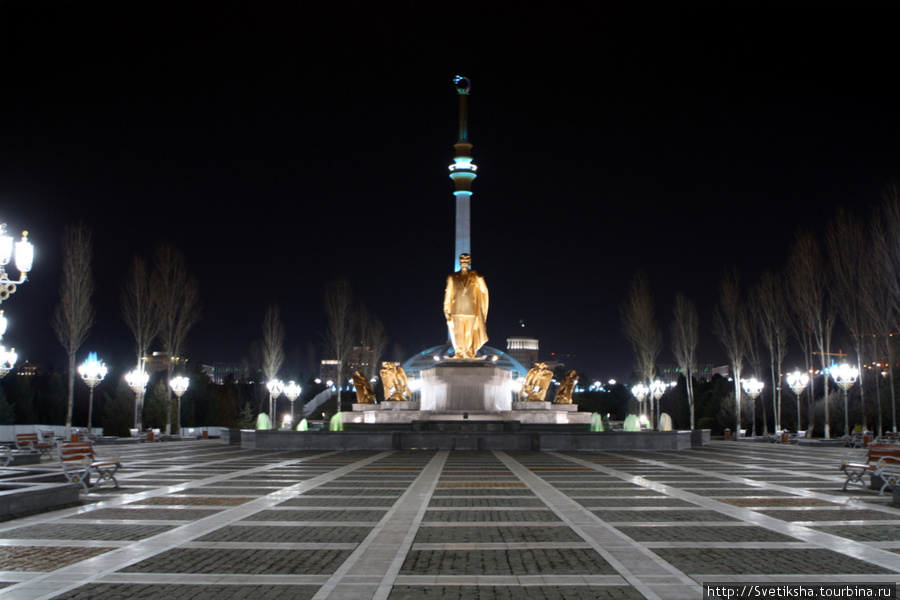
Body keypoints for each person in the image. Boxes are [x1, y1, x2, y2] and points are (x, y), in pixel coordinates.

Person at [443, 253, 489, 359]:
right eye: (462, 261)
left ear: (470, 262)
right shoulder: (452, 277)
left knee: (469, 332)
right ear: (459, 262)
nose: (464, 263)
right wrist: (447, 311)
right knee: (458, 332)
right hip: (457, 309)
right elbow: (448, 294)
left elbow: (483, 290)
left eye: (467, 260)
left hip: (471, 309)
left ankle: (468, 351)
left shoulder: (475, 276)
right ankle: (459, 351)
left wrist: (480, 278)